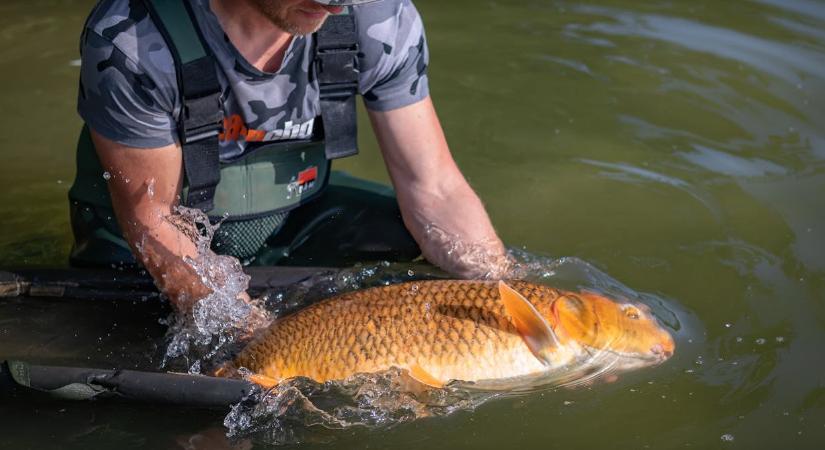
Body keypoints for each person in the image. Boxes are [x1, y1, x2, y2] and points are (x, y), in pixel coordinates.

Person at [68, 0, 510, 313]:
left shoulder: (376, 16)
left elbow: (434, 187)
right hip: (142, 246)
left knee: (427, 250)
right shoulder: (132, 40)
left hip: (295, 217)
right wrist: (250, 334)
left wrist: (504, 295)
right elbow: (154, 221)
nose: (335, 7)